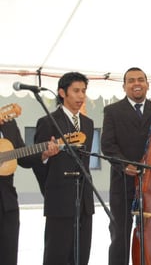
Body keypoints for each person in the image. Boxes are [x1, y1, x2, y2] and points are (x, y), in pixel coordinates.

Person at [101, 67, 151, 265]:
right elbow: (107, 146)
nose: (136, 84)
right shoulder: (112, 111)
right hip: (124, 184)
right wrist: (124, 164)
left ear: (147, 84)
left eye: (140, 80)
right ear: (124, 86)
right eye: (131, 80)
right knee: (120, 236)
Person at [33, 72, 95, 265]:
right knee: (57, 256)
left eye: (83, 91)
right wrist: (50, 191)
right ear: (62, 92)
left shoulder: (88, 123)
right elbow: (38, 164)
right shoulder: (47, 122)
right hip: (59, 201)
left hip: (84, 200)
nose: (81, 96)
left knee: (81, 256)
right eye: (76, 91)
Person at [0, 115, 58, 265]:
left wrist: (44, 153)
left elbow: (22, 157)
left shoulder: (8, 122)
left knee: (8, 257)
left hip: (7, 204)